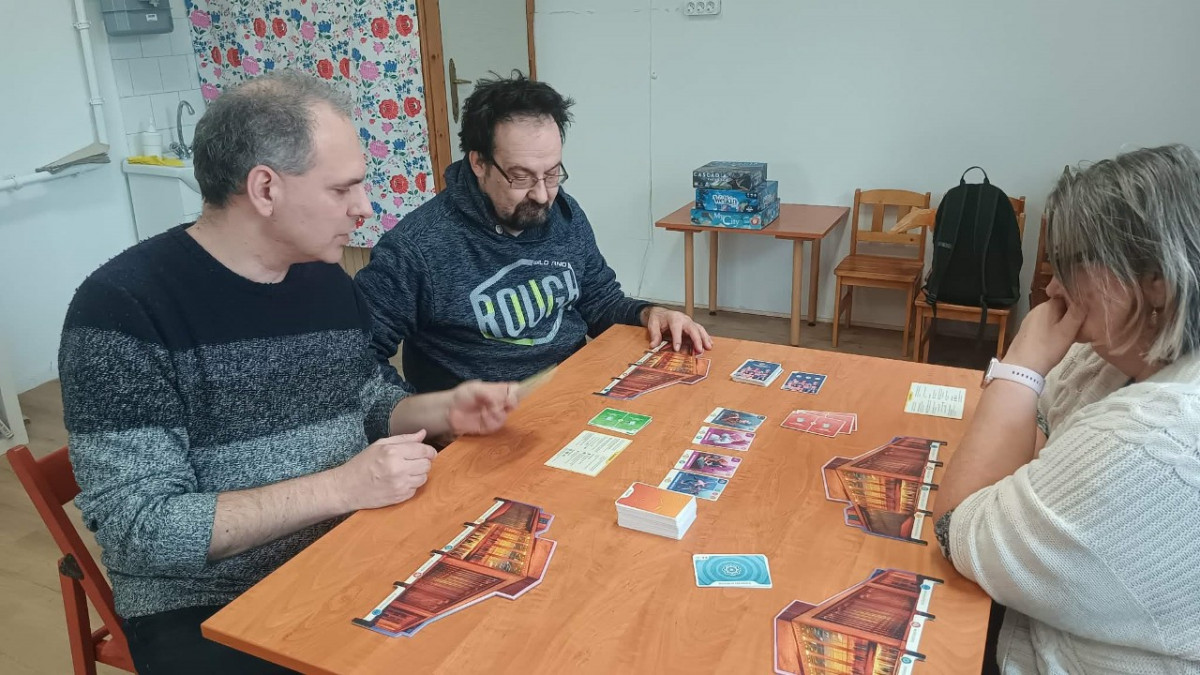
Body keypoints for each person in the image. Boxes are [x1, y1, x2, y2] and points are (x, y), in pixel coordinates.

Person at [59, 71, 519, 675]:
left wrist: (443, 409)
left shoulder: (321, 276)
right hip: (210, 604)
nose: (364, 208)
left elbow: (364, 397)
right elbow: (140, 529)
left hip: (350, 545)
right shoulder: (123, 309)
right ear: (265, 189)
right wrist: (342, 488)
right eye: (342, 189)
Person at [932, 144, 1200, 673]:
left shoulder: (1153, 438)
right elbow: (1032, 434)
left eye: (1071, 266)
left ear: (1156, 280)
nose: (1052, 288)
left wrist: (1020, 363)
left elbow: (955, 528)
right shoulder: (1112, 350)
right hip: (1018, 620)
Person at [355, 72, 712, 393]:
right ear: (479, 163)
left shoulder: (564, 213)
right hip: (481, 425)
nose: (542, 195)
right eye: (521, 177)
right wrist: (430, 418)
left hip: (573, 392)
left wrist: (649, 313)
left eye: (552, 173)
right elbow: (356, 360)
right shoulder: (416, 248)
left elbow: (599, 300)